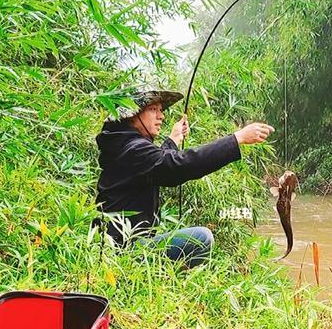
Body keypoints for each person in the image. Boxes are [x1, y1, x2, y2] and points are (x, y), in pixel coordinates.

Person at [95, 90, 274, 268]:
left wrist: (173, 140)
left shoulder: (123, 146)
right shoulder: (133, 150)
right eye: (153, 109)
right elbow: (177, 166)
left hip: (117, 247)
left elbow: (156, 163)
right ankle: (162, 282)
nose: (161, 116)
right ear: (133, 115)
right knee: (201, 238)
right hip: (123, 253)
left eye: (160, 110)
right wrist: (237, 138)